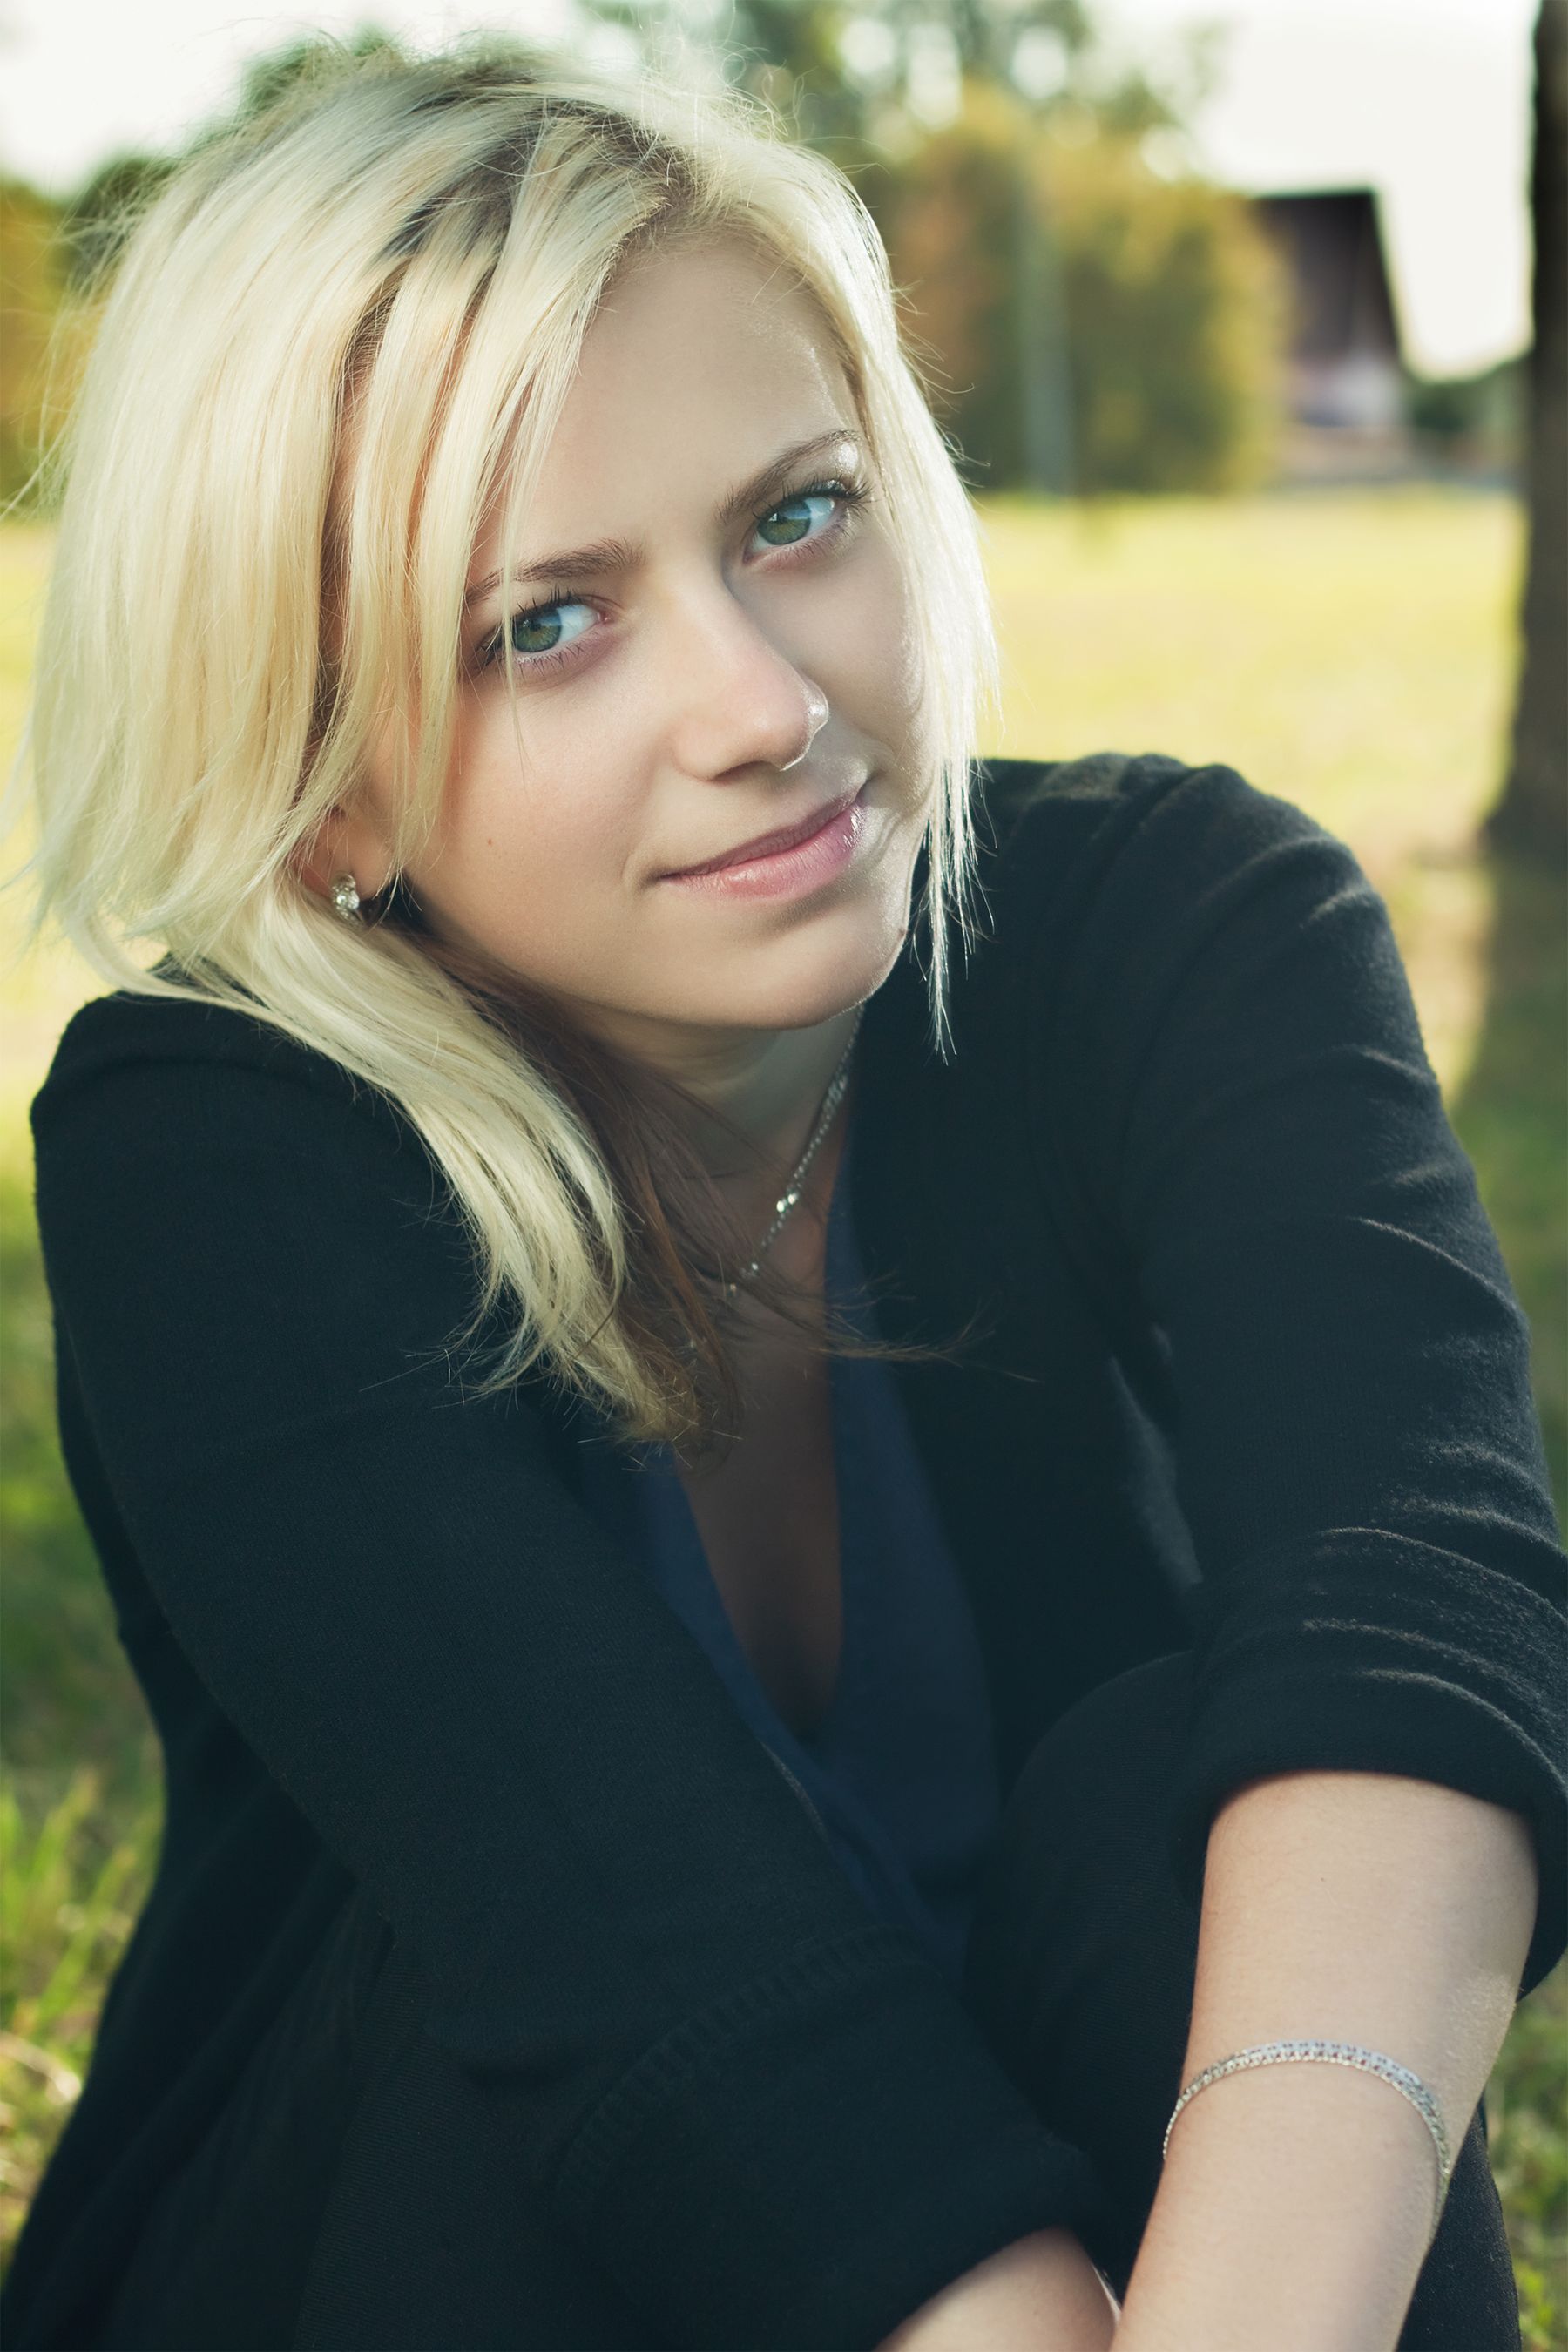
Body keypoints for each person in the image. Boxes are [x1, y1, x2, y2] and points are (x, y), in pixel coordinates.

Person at [0, 38, 1562, 2352]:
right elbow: (631, 1956)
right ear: (327, 795)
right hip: (439, 2244)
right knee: (459, 1992)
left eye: (793, 517)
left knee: (1179, 1794)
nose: (755, 699)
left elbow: (1405, 1599)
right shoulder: (211, 1145)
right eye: (549, 622)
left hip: (1168, 2237)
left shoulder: (1181, 921)